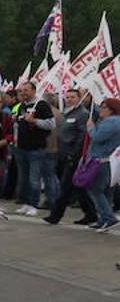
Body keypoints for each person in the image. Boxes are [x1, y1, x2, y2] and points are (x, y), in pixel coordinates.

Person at [44, 88, 95, 226]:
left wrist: (75, 155)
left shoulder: (82, 114)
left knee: (65, 187)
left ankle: (55, 216)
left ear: (79, 98)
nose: (69, 99)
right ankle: (91, 214)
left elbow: (81, 137)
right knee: (78, 187)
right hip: (62, 154)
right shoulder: (65, 113)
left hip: (73, 157)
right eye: (67, 97)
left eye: (73, 97)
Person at [13, 80, 56, 215]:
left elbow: (51, 124)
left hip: (36, 149)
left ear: (33, 91)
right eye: (22, 90)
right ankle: (26, 203)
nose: (23, 93)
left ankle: (33, 204)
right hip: (21, 147)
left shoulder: (42, 105)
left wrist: (35, 121)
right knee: (23, 178)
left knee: (34, 178)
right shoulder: (21, 106)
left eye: (26, 90)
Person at [82, 98, 120, 232]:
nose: (100, 109)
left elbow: (97, 137)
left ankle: (109, 218)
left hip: (102, 160)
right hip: (111, 161)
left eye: (104, 107)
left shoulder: (111, 122)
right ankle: (103, 218)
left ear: (111, 109)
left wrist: (90, 127)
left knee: (95, 189)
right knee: (107, 190)